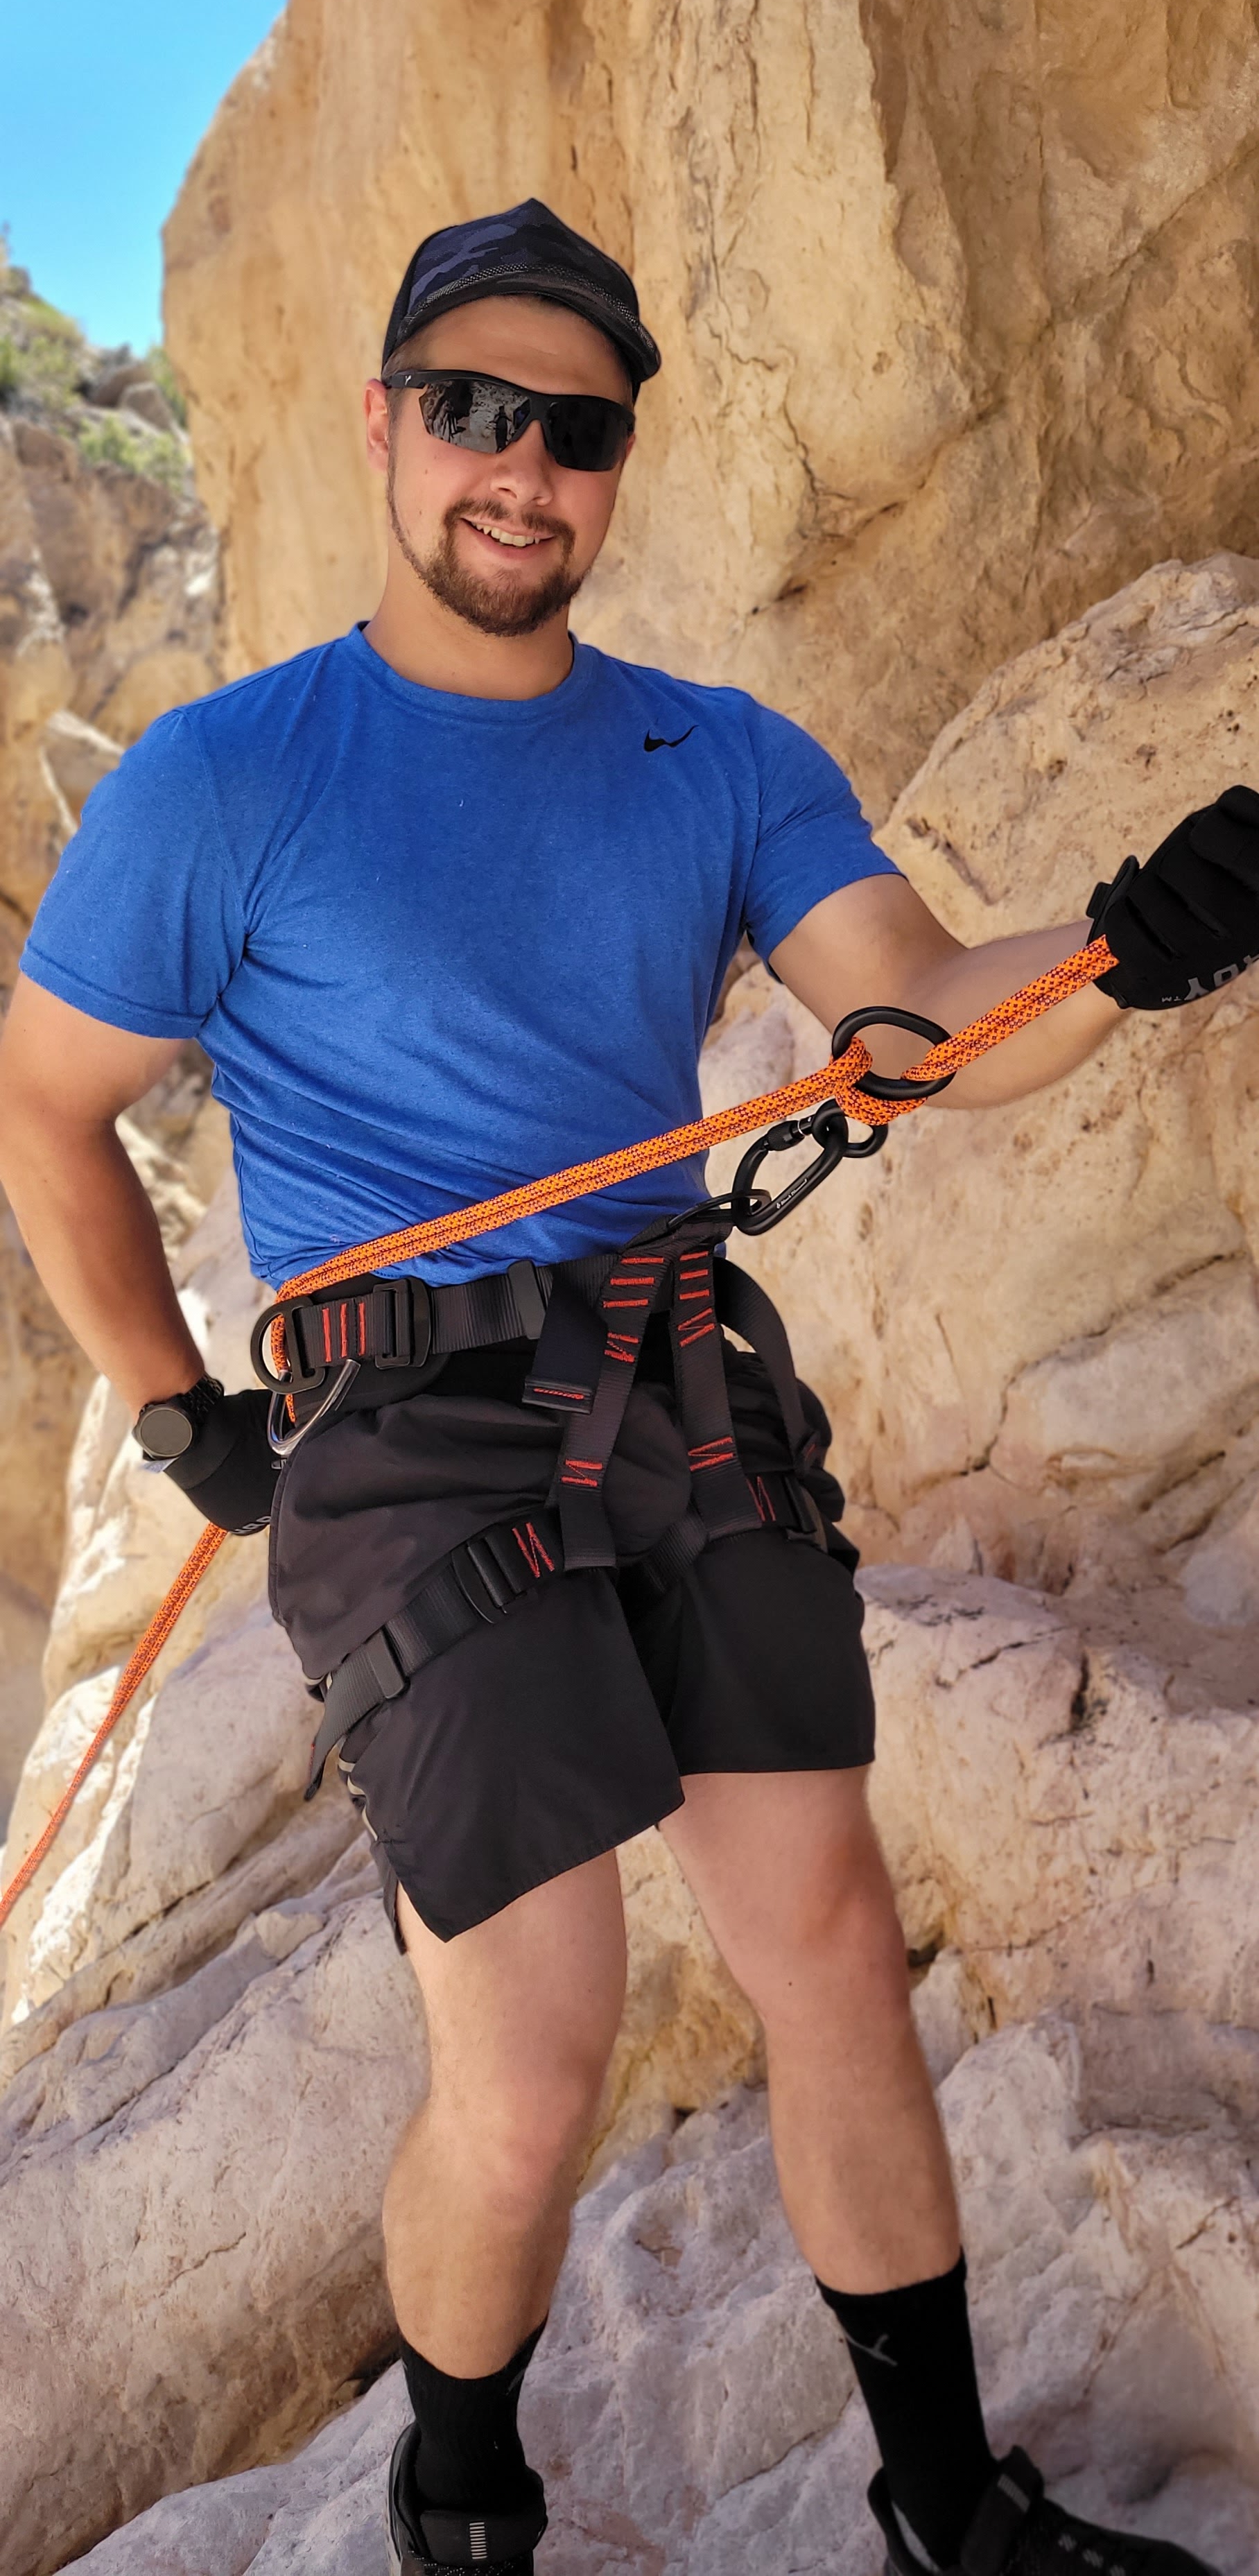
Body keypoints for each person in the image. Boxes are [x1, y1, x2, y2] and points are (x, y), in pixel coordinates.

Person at [1, 200, 1256, 2576]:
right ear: (383, 425)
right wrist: (180, 1416)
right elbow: (48, 1108)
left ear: (615, 471)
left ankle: (946, 2510)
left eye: (573, 431)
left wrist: (1132, 946)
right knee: (540, 2050)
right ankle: (462, 2501)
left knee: (829, 1948)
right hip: (411, 1444)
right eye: (473, 409)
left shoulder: (717, 755)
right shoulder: (227, 778)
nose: (521, 465)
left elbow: (919, 1015)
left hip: (679, 1383)